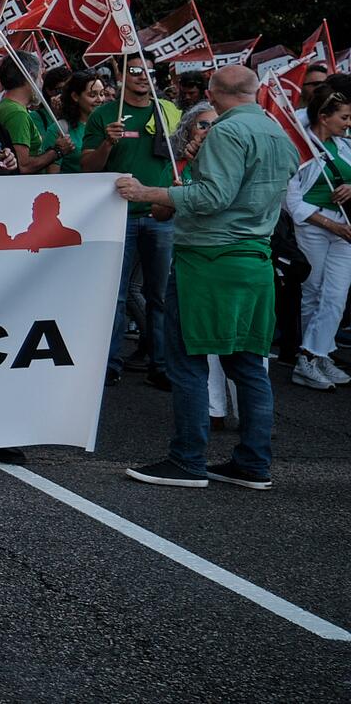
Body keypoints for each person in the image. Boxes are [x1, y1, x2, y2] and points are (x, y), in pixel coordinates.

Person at [119, 65, 299, 489]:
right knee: (248, 365)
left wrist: (147, 193)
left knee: (187, 363)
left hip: (208, 260)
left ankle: (187, 460)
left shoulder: (227, 132)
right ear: (254, 92)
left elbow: (212, 197)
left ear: (214, 93)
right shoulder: (278, 134)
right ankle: (253, 463)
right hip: (253, 259)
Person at [82, 59, 185, 387]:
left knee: (160, 296)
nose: (143, 78)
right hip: (117, 217)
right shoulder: (104, 115)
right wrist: (107, 143)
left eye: (149, 73)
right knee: (116, 296)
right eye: (135, 71)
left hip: (160, 216)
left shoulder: (170, 112)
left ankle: (161, 365)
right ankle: (110, 365)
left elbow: (184, 158)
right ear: (121, 77)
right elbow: (87, 168)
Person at [285, 74, 351, 391]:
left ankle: (316, 353)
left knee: (336, 295)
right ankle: (311, 358)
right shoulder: (297, 147)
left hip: (345, 228)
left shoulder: (345, 144)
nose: (349, 123)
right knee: (313, 293)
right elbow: (292, 200)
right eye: (344, 117)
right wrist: (331, 225)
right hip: (315, 225)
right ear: (324, 116)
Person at [0, 52, 75, 174]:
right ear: (30, 77)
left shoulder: (7, 107)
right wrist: (58, 151)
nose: (41, 82)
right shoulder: (17, 114)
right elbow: (23, 165)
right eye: (40, 76)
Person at [53, 69, 110, 173]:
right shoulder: (60, 129)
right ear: (75, 96)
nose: (100, 100)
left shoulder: (111, 126)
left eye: (102, 94)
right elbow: (52, 176)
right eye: (92, 95)